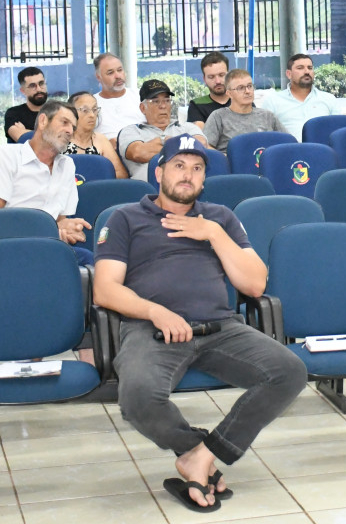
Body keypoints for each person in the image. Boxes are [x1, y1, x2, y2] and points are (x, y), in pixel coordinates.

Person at [93, 136, 306, 512]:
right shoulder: (125, 218)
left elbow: (254, 284)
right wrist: (155, 312)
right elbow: (105, 290)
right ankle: (193, 449)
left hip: (220, 327)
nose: (187, 175)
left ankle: (204, 456)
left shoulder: (220, 218)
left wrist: (213, 234)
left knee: (289, 372)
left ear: (204, 179)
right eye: (178, 165)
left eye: (197, 168)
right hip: (152, 330)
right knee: (137, 396)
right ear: (159, 173)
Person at [0, 100, 93, 264]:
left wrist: (68, 229)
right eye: (64, 122)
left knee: (95, 262)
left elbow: (60, 220)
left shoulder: (67, 165)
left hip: (50, 247)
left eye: (73, 127)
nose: (69, 131)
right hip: (6, 247)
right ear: (43, 121)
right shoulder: (4, 156)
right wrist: (50, 230)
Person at [118, 80, 207, 182]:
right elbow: (139, 153)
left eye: (167, 100)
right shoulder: (131, 131)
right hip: (150, 188)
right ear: (142, 108)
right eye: (156, 101)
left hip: (188, 183)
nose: (163, 106)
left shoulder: (187, 127)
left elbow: (201, 145)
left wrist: (163, 143)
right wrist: (169, 141)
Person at [201, 69, 287, 153]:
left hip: (265, 161)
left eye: (250, 86)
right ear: (229, 93)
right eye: (240, 88)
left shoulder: (268, 116)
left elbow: (288, 141)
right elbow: (205, 146)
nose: (247, 91)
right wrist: (225, 158)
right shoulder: (218, 116)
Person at [258, 53, 337, 139]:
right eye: (300, 68)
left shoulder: (329, 99)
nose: (307, 72)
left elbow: (338, 132)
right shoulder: (273, 101)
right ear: (289, 74)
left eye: (310, 68)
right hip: (288, 147)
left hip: (322, 147)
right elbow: (264, 137)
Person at [66, 91, 129, 178]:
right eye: (85, 110)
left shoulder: (101, 139)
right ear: (71, 113)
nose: (92, 115)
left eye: (94, 109)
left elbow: (121, 174)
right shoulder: (60, 139)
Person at [94, 53, 145, 139]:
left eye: (120, 70)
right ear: (99, 77)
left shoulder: (141, 95)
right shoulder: (91, 103)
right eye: (110, 73)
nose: (118, 76)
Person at [186, 52, 231, 129]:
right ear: (204, 79)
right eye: (211, 77)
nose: (217, 81)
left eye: (221, 75)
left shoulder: (241, 100)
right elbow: (199, 134)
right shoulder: (197, 105)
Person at [4, 66, 48, 143]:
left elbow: (68, 139)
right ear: (23, 91)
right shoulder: (13, 113)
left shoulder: (57, 111)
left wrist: (27, 133)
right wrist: (52, 135)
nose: (38, 89)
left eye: (41, 84)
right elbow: (22, 139)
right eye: (32, 86)